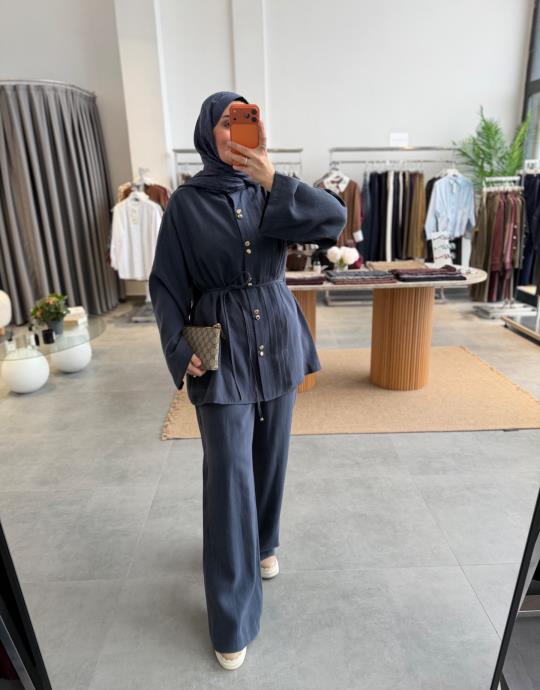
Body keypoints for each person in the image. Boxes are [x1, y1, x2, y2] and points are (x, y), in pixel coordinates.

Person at [149, 91, 346, 670]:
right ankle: (232, 615)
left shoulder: (271, 192)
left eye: (249, 119)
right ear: (208, 132)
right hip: (221, 343)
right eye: (228, 121)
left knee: (270, 455)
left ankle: (263, 542)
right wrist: (176, 345)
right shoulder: (185, 205)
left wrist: (275, 179)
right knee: (229, 474)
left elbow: (333, 221)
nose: (239, 129)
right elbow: (165, 283)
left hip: (277, 337)